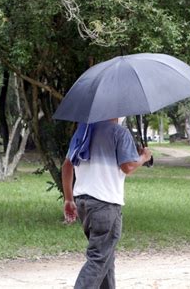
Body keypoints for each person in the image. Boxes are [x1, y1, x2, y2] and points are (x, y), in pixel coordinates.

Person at [62, 118, 152, 289]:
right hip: (105, 205)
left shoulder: (83, 131)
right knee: (98, 259)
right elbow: (128, 167)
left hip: (83, 203)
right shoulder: (119, 132)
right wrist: (143, 157)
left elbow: (67, 165)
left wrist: (68, 199)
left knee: (106, 258)